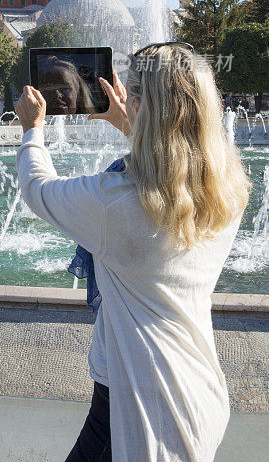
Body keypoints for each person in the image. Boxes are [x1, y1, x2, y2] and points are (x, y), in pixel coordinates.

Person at [15, 42, 250, 462]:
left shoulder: (117, 204)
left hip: (137, 406)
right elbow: (173, 167)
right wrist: (133, 125)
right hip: (199, 391)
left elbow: (38, 190)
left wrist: (32, 128)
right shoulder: (227, 189)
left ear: (141, 104)